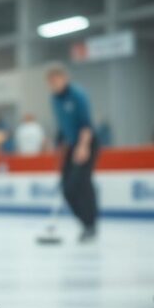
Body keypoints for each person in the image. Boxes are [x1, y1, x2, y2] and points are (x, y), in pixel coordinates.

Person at [48, 62, 99, 242]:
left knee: (82, 184)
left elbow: (86, 124)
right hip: (71, 145)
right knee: (67, 188)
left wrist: (83, 147)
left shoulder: (77, 95)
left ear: (65, 79)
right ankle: (85, 223)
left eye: (56, 80)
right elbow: (63, 124)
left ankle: (91, 225)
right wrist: (59, 142)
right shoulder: (54, 98)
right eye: (50, 82)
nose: (53, 85)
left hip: (87, 142)